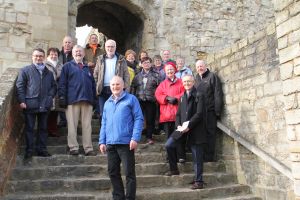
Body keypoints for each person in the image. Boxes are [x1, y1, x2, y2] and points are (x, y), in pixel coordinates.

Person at [99, 76, 144, 200]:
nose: (115, 87)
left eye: (118, 84)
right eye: (113, 85)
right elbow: (104, 123)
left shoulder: (131, 99)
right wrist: (102, 141)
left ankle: (130, 198)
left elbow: (139, 119)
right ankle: (118, 197)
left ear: (123, 85)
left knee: (129, 173)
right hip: (110, 144)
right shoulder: (107, 103)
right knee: (113, 172)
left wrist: (135, 138)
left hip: (126, 142)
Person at [165, 74, 207, 190]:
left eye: (189, 81)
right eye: (184, 82)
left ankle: (199, 181)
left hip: (195, 129)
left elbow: (199, 114)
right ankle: (174, 169)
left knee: (197, 157)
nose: (187, 84)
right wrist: (178, 125)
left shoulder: (199, 95)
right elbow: (178, 114)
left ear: (193, 82)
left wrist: (189, 125)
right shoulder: (182, 96)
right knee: (169, 145)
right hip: (182, 129)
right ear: (182, 83)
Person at [16, 48, 56, 160]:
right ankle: (29, 151)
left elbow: (54, 87)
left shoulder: (48, 72)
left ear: (44, 57)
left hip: (45, 104)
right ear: (32, 57)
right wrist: (22, 101)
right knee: (29, 128)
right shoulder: (25, 70)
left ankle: (41, 150)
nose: (38, 58)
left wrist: (50, 97)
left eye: (40, 56)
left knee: (43, 128)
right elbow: (20, 87)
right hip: (30, 104)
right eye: (36, 56)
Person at [58, 45, 97, 156]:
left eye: (80, 51)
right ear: (72, 53)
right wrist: (62, 97)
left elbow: (93, 85)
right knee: (72, 125)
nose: (78, 53)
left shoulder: (87, 68)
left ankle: (88, 148)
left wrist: (94, 99)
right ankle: (73, 147)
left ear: (84, 54)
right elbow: (62, 83)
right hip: (72, 100)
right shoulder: (67, 66)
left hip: (87, 100)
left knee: (87, 126)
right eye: (76, 51)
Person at [94, 39, 130, 123]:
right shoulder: (100, 59)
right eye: (108, 47)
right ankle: (103, 135)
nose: (110, 49)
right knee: (103, 113)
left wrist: (126, 89)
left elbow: (126, 75)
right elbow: (95, 74)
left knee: (116, 113)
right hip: (102, 89)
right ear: (105, 48)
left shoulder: (121, 59)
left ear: (115, 47)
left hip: (116, 89)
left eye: (112, 47)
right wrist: (97, 86)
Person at [195, 60, 223, 162]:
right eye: (197, 67)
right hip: (199, 112)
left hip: (210, 111)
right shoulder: (196, 78)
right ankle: (201, 156)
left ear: (205, 66)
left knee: (211, 134)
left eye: (201, 66)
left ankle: (209, 157)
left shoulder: (212, 76)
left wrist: (217, 111)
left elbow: (217, 94)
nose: (199, 68)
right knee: (201, 134)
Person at [131, 57, 161, 144]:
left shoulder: (156, 75)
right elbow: (133, 88)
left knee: (150, 119)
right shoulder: (137, 76)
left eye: (148, 62)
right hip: (139, 99)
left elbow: (160, 89)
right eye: (144, 63)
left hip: (151, 100)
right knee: (138, 119)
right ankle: (136, 137)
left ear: (151, 64)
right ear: (141, 64)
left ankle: (149, 137)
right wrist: (133, 99)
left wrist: (156, 98)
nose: (146, 64)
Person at [155, 62, 184, 138]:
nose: (169, 71)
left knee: (179, 138)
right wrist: (166, 98)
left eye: (171, 69)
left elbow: (185, 92)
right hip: (166, 115)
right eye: (167, 70)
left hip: (178, 114)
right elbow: (157, 94)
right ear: (165, 71)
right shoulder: (162, 84)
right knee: (169, 138)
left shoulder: (181, 82)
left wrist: (176, 98)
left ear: (175, 70)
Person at [45, 47, 63, 137]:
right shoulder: (45, 64)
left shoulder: (61, 65)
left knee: (55, 111)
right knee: (47, 111)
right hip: (48, 90)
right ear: (48, 55)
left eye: (55, 54)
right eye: (51, 54)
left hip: (58, 90)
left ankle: (53, 130)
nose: (53, 56)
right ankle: (45, 130)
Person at [57, 36, 74, 128]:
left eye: (69, 42)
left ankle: (70, 120)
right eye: (66, 42)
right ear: (63, 44)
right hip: (59, 80)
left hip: (71, 81)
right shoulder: (58, 54)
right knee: (61, 98)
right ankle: (63, 120)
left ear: (72, 44)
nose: (67, 44)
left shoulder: (74, 54)